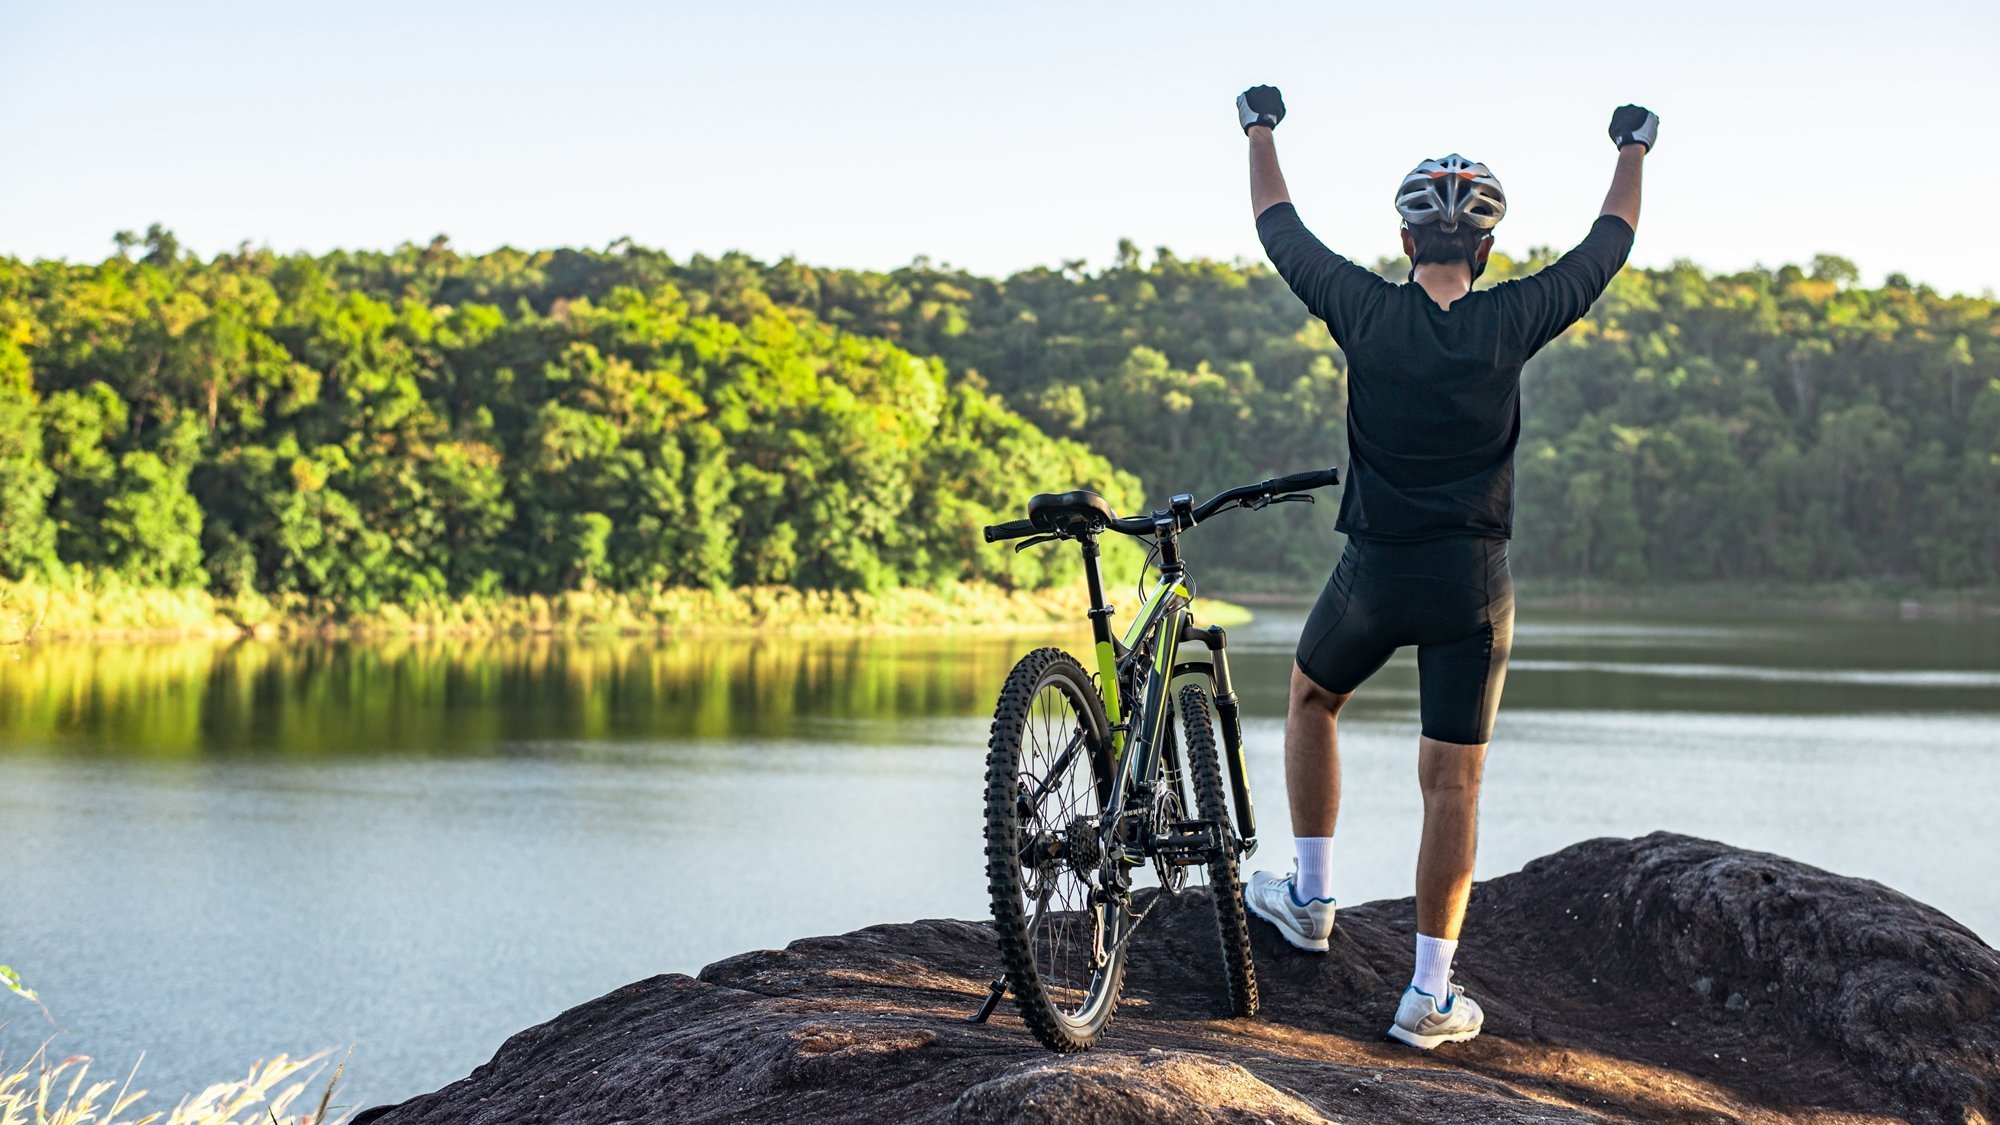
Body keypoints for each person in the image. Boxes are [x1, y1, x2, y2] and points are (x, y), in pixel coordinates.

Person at [1232, 85, 1657, 1050]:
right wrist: (1632, 147)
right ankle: (1428, 994)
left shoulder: (1365, 311)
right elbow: (1608, 245)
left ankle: (1309, 896)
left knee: (1310, 696)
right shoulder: (1512, 319)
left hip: (1374, 577)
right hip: (1473, 588)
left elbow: (1278, 225)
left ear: (1404, 241)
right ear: (1488, 251)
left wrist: (1260, 128)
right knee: (1452, 783)